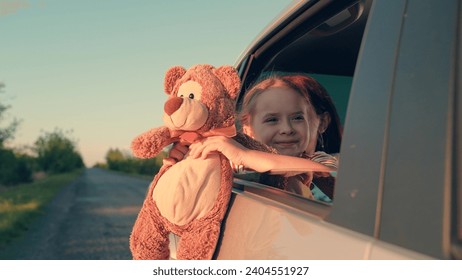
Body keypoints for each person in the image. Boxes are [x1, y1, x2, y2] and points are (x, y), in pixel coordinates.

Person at [170, 72, 342, 201]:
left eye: (297, 118)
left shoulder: (319, 162)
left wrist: (245, 155)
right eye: (272, 119)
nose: (286, 129)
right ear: (248, 128)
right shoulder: (233, 162)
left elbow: (332, 172)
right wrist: (183, 162)